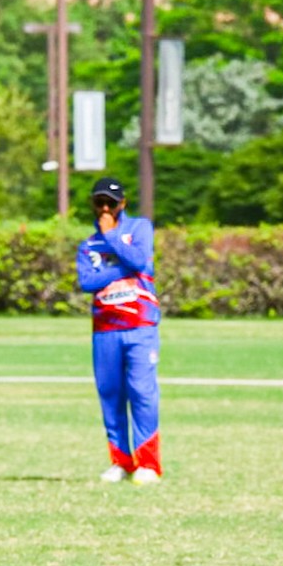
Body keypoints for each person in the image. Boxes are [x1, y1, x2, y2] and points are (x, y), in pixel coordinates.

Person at [75, 177, 162, 485]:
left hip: (140, 327)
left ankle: (148, 464)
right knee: (111, 395)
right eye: (99, 203)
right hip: (105, 330)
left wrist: (112, 236)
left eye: (110, 203)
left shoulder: (139, 228)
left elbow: (138, 259)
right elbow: (88, 281)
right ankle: (121, 462)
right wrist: (121, 269)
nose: (104, 209)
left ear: (122, 204)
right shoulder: (88, 245)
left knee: (142, 392)